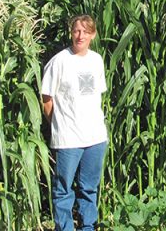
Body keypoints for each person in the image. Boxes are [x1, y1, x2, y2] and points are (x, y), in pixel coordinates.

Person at [41, 14, 108, 231]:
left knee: (89, 189)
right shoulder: (59, 61)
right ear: (71, 33)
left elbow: (96, 96)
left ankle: (88, 227)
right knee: (63, 190)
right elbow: (47, 100)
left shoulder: (96, 60)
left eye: (85, 32)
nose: (80, 36)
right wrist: (59, 124)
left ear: (93, 35)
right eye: (76, 31)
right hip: (68, 139)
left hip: (96, 137)